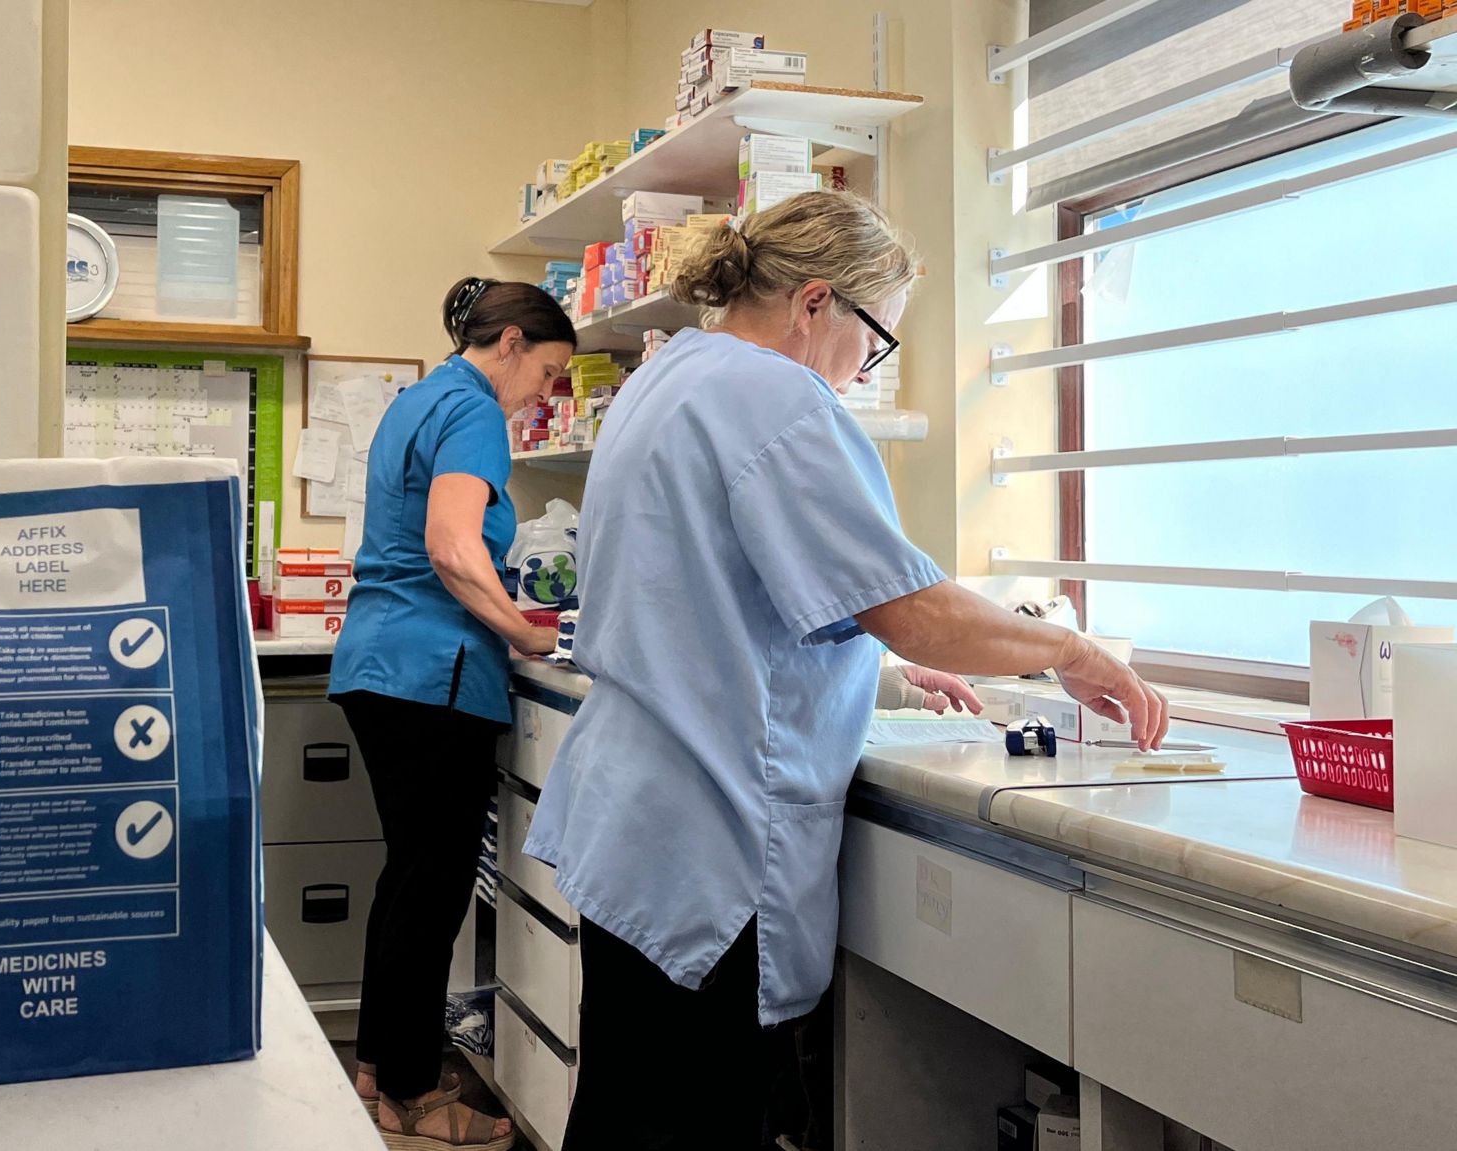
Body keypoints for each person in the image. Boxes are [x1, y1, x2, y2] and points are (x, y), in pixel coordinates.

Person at [523, 192, 1168, 1151]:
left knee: (625, 1107)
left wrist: (888, 680)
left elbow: (720, 601)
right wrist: (1072, 649)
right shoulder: (779, 400)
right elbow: (913, 609)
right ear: (816, 303)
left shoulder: (671, 375)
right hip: (709, 839)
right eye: (875, 340)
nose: (867, 369)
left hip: (636, 820)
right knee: (690, 1121)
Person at [329, 276, 575, 1150]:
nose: (543, 394)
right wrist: (525, 633)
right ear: (508, 342)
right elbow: (451, 542)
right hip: (431, 670)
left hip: (379, 661)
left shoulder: (417, 399)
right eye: (546, 372)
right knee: (429, 891)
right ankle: (416, 1098)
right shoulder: (473, 412)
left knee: (408, 879)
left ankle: (379, 1074)